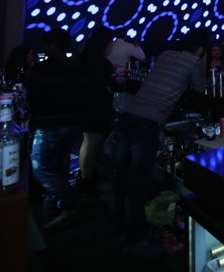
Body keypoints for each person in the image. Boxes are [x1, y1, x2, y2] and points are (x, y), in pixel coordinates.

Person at [112, 28, 208, 256]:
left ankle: (118, 227)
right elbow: (200, 88)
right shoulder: (195, 61)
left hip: (129, 116)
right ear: (201, 48)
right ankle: (135, 239)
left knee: (121, 175)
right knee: (138, 181)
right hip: (148, 122)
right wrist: (202, 63)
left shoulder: (165, 54)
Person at [27, 28, 83, 229]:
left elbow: (32, 96)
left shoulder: (42, 69)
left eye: (46, 44)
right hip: (71, 124)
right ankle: (56, 202)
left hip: (49, 124)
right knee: (59, 163)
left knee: (41, 166)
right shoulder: (76, 66)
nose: (43, 48)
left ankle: (68, 201)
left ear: (52, 46)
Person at [75, 26, 114, 195]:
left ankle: (88, 174)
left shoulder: (84, 57)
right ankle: (86, 180)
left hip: (86, 105)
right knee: (91, 143)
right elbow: (101, 84)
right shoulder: (100, 62)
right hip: (95, 106)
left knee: (90, 142)